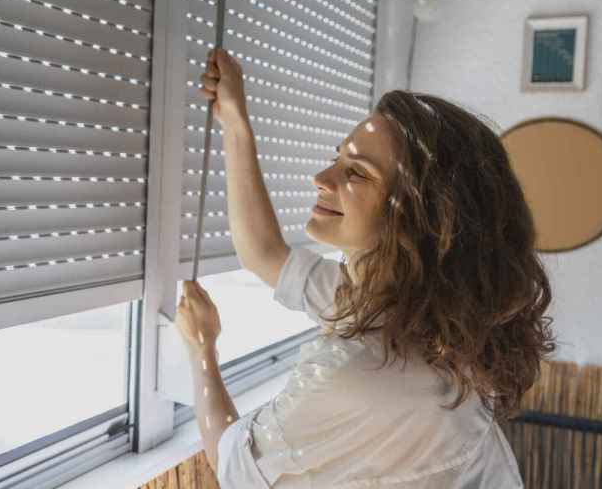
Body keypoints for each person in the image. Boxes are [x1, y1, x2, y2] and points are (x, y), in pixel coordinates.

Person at [174, 48, 555, 488]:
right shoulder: (409, 308)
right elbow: (266, 255)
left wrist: (203, 352)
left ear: (419, 214)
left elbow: (234, 467)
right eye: (337, 156)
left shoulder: (362, 371)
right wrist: (236, 123)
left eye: (355, 173)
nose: (322, 176)